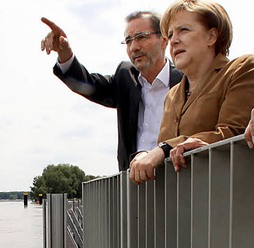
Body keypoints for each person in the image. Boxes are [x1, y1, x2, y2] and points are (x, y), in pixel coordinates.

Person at [130, 0, 254, 184]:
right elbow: (164, 157)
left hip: (227, 200)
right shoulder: (172, 95)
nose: (173, 40)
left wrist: (164, 148)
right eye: (170, 34)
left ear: (211, 36)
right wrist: (146, 155)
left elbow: (233, 134)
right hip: (182, 206)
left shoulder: (241, 69)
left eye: (184, 30)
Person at [41, 12, 183, 171]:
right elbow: (87, 84)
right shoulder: (126, 77)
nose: (134, 47)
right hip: (134, 185)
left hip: (178, 181)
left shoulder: (186, 78)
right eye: (128, 41)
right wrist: (64, 53)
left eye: (141, 37)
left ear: (164, 40)